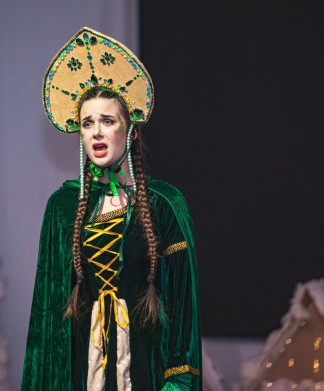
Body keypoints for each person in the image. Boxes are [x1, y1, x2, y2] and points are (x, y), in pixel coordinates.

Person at [22, 27, 202, 391]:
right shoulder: (63, 207)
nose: (97, 133)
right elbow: (47, 324)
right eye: (88, 123)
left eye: (108, 121)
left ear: (130, 131)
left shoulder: (164, 204)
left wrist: (178, 384)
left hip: (146, 375)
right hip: (83, 375)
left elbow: (183, 311)